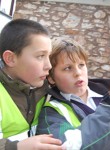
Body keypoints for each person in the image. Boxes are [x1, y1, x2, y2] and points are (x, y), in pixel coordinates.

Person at [36, 37, 110, 150]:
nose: (78, 73)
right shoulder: (50, 113)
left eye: (81, 65)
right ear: (51, 78)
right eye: (67, 68)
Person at [0, 19, 65, 150]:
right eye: (40, 56)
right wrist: (15, 147)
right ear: (10, 58)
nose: (49, 65)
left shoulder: (45, 88)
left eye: (49, 56)